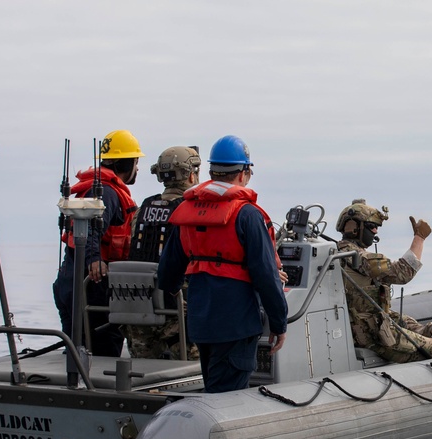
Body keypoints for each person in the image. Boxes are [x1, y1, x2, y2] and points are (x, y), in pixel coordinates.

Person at [156, 135, 288, 392]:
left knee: (213, 385)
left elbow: (167, 274)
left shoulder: (187, 212)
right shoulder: (248, 215)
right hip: (236, 326)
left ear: (211, 171)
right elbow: (265, 275)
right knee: (228, 398)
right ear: (244, 173)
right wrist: (278, 323)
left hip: (201, 323)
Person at [52, 129, 143, 357]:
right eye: (135, 161)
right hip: (91, 289)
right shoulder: (109, 194)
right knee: (104, 350)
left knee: (76, 349)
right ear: (126, 163)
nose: (138, 168)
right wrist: (94, 259)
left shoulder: (95, 191)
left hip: (69, 282)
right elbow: (92, 228)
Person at [335, 199, 432, 363]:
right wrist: (419, 238)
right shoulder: (356, 257)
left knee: (429, 330)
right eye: (371, 226)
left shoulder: (343, 252)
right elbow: (403, 273)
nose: (375, 231)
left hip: (373, 320)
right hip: (369, 332)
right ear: (353, 227)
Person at [124, 145, 201, 361]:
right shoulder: (192, 210)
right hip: (176, 310)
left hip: (139, 310)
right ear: (191, 174)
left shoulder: (143, 209)